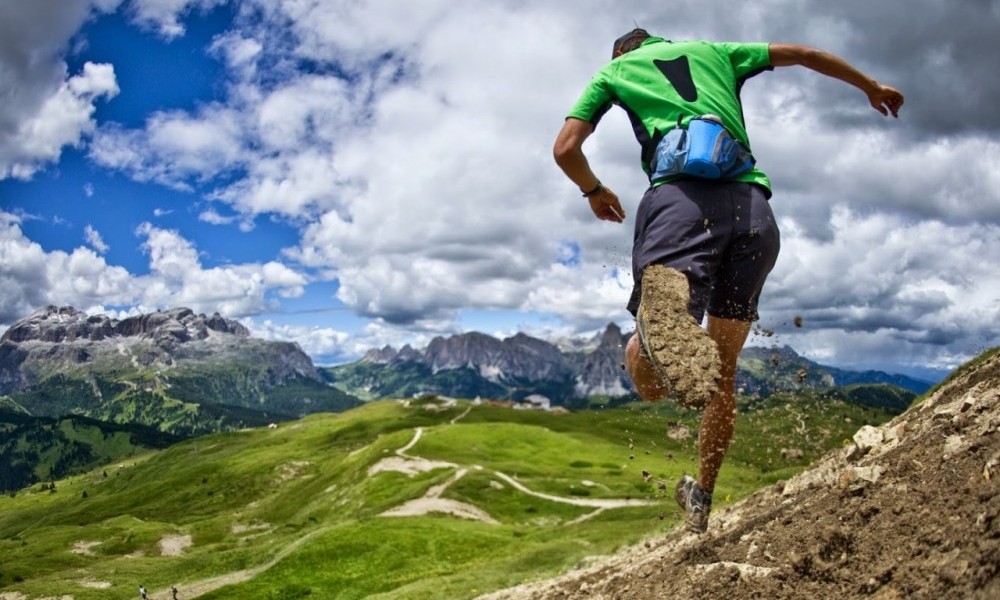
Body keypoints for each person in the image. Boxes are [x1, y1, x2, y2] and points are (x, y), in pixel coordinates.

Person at [553, 28, 903, 534]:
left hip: (679, 205)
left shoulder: (614, 71)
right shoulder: (717, 52)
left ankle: (659, 328)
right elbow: (804, 54)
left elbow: (565, 148)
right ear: (659, 41)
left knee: (646, 364)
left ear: (621, 54)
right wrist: (871, 86)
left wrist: (593, 189)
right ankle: (703, 497)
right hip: (755, 214)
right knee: (722, 373)